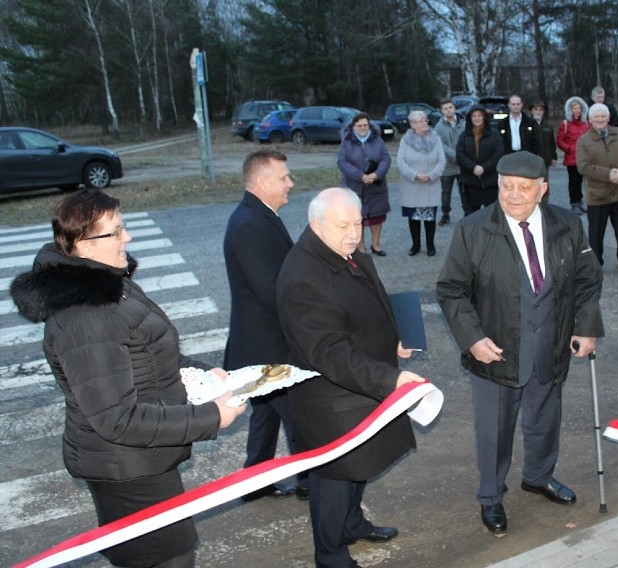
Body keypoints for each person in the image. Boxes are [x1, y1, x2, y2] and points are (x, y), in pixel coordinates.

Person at [10, 189, 245, 568]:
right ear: (81, 244)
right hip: (128, 467)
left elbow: (145, 347)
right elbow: (117, 419)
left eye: (124, 228)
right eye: (116, 232)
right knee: (168, 557)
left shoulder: (104, 281)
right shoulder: (87, 316)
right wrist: (212, 418)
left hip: (143, 457)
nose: (128, 238)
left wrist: (202, 371)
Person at [436, 151, 604, 536]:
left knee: (545, 420)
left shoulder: (567, 224)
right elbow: (450, 290)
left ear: (542, 189)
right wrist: (472, 339)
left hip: (551, 343)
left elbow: (587, 280)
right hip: (495, 352)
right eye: (506, 186)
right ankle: (491, 496)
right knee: (494, 430)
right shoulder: (473, 229)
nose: (513, 195)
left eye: (524, 188)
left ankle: (539, 476)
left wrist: (586, 326)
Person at [276, 187, 426, 568]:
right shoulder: (303, 277)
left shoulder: (344, 251)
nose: (354, 233)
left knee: (360, 468)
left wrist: (395, 339)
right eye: (343, 225)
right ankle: (330, 554)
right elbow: (329, 352)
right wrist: (388, 379)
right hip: (334, 399)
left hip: (363, 386)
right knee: (335, 480)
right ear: (315, 224)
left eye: (358, 223)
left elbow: (370, 302)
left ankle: (352, 524)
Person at [223, 150, 306, 502]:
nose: (291, 183)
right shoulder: (251, 224)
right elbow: (272, 291)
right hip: (267, 348)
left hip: (260, 346)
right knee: (302, 417)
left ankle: (254, 482)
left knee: (267, 414)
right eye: (283, 178)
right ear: (260, 183)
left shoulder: (259, 216)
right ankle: (313, 482)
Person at [576, 103, 618, 272]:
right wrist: (609, 174)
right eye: (596, 116)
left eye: (603, 116)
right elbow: (583, 166)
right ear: (590, 119)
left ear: (608, 118)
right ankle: (596, 262)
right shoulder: (583, 140)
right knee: (596, 233)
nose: (600, 119)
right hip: (597, 195)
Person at [337, 112, 391, 256]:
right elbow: (341, 162)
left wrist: (376, 174)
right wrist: (360, 176)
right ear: (353, 126)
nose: (362, 128)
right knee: (356, 218)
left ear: (369, 125)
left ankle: (376, 244)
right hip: (355, 186)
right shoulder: (347, 141)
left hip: (376, 185)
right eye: (359, 125)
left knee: (376, 217)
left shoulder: (377, 139)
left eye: (365, 125)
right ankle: (360, 246)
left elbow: (386, 158)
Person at [397, 109, 446, 256]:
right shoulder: (405, 140)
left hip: (431, 183)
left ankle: (430, 246)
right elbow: (400, 162)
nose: (425, 122)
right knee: (414, 218)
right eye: (421, 121)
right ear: (413, 124)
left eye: (425, 119)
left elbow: (442, 161)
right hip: (412, 185)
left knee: (430, 218)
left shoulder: (436, 138)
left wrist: (431, 175)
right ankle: (415, 245)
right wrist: (415, 175)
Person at [456, 104, 504, 214]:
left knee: (491, 215)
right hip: (470, 182)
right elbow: (460, 154)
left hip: (490, 182)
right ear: (470, 118)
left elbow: (498, 154)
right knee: (471, 217)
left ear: (484, 117)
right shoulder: (464, 136)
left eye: (479, 115)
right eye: (474, 116)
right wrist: (473, 167)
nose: (477, 118)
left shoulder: (494, 135)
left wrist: (484, 168)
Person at [434, 98, 466, 224]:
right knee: (446, 192)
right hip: (447, 165)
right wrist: (456, 156)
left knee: (464, 191)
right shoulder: (438, 127)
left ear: (454, 108)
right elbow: (441, 145)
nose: (448, 110)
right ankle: (445, 214)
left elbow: (466, 140)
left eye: (450, 107)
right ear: (441, 111)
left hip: (463, 165)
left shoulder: (463, 123)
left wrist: (462, 157)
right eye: (445, 109)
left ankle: (467, 214)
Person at [556, 96, 590, 214]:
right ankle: (574, 203)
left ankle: (580, 202)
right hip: (572, 158)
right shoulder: (565, 124)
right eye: (574, 108)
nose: (577, 110)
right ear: (570, 110)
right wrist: (569, 148)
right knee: (573, 182)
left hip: (585, 158)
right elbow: (560, 141)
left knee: (582, 181)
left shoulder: (586, 123)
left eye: (579, 108)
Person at [530, 99, 558, 194]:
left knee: (545, 186)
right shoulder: (527, 125)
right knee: (532, 186)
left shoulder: (547, 126)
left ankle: (544, 206)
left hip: (545, 160)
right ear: (532, 111)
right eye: (536, 109)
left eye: (540, 110)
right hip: (531, 160)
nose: (538, 112)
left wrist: (554, 157)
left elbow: (551, 143)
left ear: (544, 111)